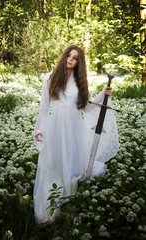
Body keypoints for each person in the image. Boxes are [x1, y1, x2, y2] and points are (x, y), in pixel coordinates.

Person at [33, 45, 119, 224]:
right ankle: (53, 198)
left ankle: (69, 198)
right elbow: (43, 107)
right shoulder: (50, 78)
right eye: (69, 55)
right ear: (64, 56)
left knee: (70, 161)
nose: (71, 59)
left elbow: (86, 108)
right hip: (56, 127)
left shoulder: (79, 82)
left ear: (80, 63)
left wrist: (102, 95)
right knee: (55, 162)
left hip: (74, 127)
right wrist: (39, 129)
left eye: (76, 58)